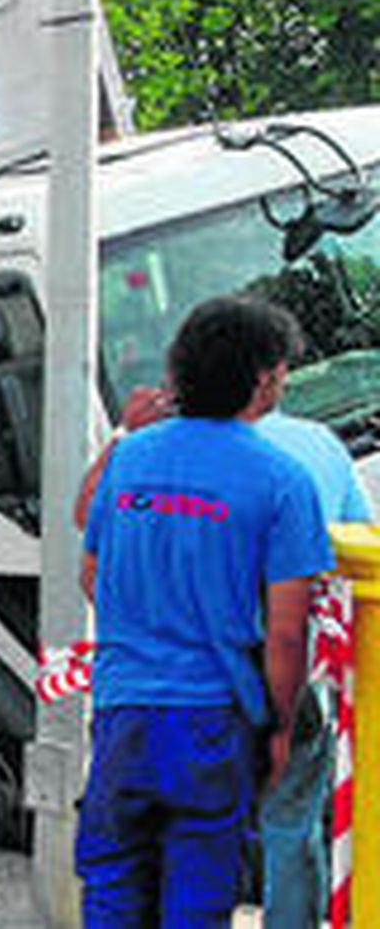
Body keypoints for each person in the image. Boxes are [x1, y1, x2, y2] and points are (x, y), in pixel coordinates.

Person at [76, 296, 333, 926]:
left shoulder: (130, 459)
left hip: (121, 713)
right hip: (212, 721)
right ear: (265, 378)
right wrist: (278, 729)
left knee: (111, 883)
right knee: (199, 891)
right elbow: (285, 633)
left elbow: (92, 576)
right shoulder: (282, 480)